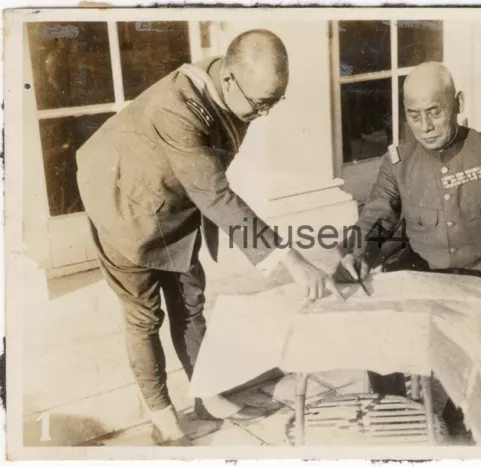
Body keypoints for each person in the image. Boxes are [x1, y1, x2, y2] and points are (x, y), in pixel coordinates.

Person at [76, 29, 342, 446]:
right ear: (231, 78)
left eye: (275, 101)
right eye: (261, 104)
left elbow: (208, 179)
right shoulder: (175, 109)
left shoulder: (235, 90)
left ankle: (206, 395)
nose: (266, 113)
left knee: (190, 302)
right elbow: (215, 193)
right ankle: (162, 418)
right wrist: (291, 260)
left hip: (173, 198)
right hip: (122, 204)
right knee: (145, 318)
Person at [337, 61, 481, 439]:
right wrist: (356, 254)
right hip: (429, 282)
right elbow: (375, 218)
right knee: (379, 324)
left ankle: (463, 411)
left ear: (457, 102)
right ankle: (399, 416)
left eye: (435, 112)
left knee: (475, 385)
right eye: (414, 116)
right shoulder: (398, 163)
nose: (425, 127)